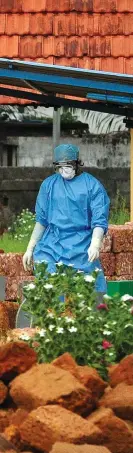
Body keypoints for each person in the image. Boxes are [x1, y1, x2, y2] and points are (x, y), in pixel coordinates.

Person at [23, 144, 110, 295]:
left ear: (77, 163)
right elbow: (41, 220)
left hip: (81, 247)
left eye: (68, 166)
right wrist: (30, 248)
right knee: (50, 290)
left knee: (91, 294)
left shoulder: (92, 185)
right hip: (51, 245)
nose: (64, 171)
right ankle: (53, 318)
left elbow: (99, 218)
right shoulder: (49, 185)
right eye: (59, 167)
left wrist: (95, 244)